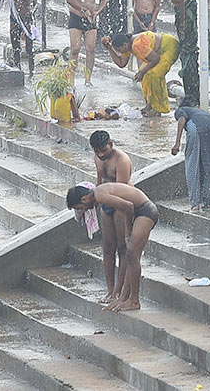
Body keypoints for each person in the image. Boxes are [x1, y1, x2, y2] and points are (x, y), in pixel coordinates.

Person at [66, 182, 157, 312]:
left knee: (131, 254)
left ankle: (134, 301)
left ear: (84, 199)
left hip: (145, 211)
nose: (85, 210)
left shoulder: (100, 195)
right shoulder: (99, 194)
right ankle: (125, 297)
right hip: (140, 213)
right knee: (131, 256)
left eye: (81, 207)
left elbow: (128, 206)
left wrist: (128, 230)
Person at [87, 130, 134, 304]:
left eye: (103, 150)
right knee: (107, 247)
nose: (101, 154)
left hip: (121, 204)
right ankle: (109, 290)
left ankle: (118, 290)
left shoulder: (122, 160)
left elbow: (121, 191)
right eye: (97, 151)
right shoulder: (98, 158)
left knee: (122, 247)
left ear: (111, 144)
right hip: (105, 203)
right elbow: (99, 181)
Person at [103, 30, 181, 116]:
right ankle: (149, 106)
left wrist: (141, 72)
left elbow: (155, 59)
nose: (120, 52)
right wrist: (110, 49)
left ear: (124, 45)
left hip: (169, 46)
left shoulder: (137, 45)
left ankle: (158, 109)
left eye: (119, 50)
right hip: (157, 52)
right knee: (145, 76)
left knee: (154, 75)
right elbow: (121, 63)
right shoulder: (127, 45)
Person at [171, 106, 210, 211]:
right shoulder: (201, 112)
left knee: (191, 165)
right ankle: (209, 201)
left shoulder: (181, 109)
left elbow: (182, 118)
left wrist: (177, 143)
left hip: (196, 127)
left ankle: (195, 203)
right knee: (208, 165)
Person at [68, 0, 108, 88]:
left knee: (90, 49)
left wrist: (97, 11)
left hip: (91, 18)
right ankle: (70, 80)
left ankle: (88, 79)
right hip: (76, 16)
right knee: (75, 48)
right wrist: (82, 9)